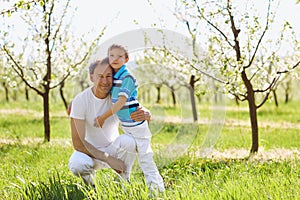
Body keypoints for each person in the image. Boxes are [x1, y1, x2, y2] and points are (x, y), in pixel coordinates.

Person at [68, 58, 151, 187]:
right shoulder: (80, 101)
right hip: (88, 152)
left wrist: (146, 113)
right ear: (91, 77)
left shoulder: (118, 98)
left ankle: (123, 183)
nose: (105, 81)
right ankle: (91, 187)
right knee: (77, 164)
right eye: (100, 76)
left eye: (109, 76)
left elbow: (135, 107)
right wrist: (108, 159)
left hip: (113, 148)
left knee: (129, 142)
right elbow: (78, 143)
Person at [94, 44, 165, 192]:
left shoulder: (127, 77)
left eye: (119, 56)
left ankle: (157, 190)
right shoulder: (114, 77)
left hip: (137, 126)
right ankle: (124, 184)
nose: (115, 59)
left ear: (126, 59)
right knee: (129, 153)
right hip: (127, 126)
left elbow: (120, 102)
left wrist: (103, 118)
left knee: (145, 158)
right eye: (111, 55)